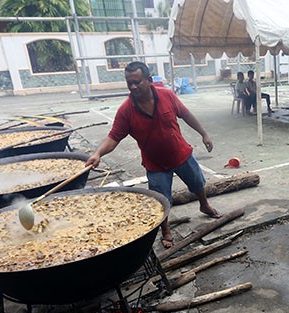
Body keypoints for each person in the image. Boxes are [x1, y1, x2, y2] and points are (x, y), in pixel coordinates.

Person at [85, 61, 220, 249]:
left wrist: (204, 134)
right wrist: (97, 153)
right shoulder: (126, 110)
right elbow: (113, 137)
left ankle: (204, 205)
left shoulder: (167, 95)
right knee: (161, 200)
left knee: (197, 183)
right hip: (155, 164)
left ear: (148, 80)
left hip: (181, 153)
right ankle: (166, 230)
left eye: (137, 82)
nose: (133, 86)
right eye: (129, 82)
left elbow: (186, 115)